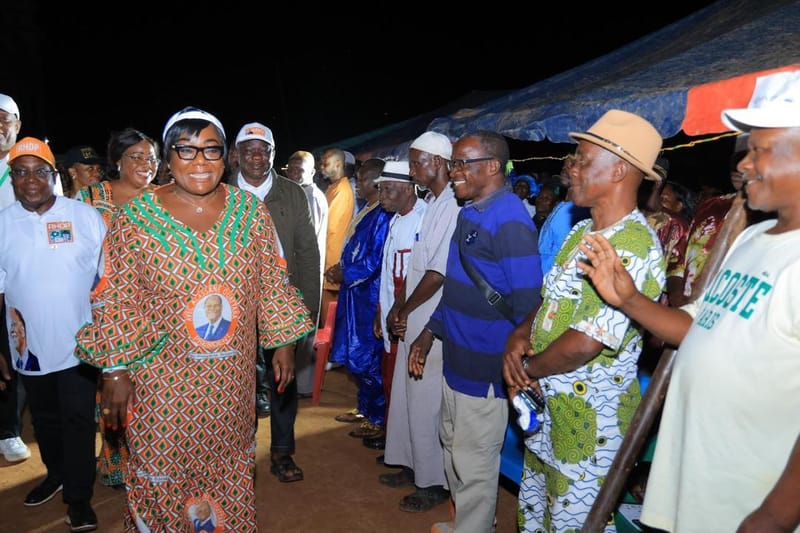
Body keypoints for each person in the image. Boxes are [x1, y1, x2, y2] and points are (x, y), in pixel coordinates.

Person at [577, 71, 800, 533]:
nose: (743, 165)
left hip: (753, 502)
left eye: (759, 150)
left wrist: (776, 516)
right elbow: (698, 327)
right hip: (700, 484)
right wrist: (628, 299)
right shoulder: (753, 238)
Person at [74, 107, 313, 531]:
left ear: (226, 157)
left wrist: (284, 342)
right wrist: (114, 368)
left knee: (227, 471)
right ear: (168, 158)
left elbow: (272, 280)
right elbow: (116, 297)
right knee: (160, 471)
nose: (200, 161)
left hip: (229, 384)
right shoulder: (135, 219)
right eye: (186, 150)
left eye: (211, 149)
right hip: (161, 384)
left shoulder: (250, 213)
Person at [503, 109, 666, 533]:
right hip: (549, 412)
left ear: (618, 170)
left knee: (574, 523)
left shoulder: (633, 245)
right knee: (536, 517)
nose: (571, 168)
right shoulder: (581, 232)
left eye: (582, 160)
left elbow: (585, 343)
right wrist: (518, 336)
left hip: (590, 428)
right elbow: (549, 302)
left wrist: (526, 370)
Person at [409, 130, 542, 533]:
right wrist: (429, 332)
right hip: (457, 360)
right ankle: (468, 522)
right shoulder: (469, 212)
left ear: (493, 166)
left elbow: (529, 306)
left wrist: (516, 367)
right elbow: (456, 284)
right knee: (454, 447)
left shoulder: (511, 220)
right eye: (453, 164)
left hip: (486, 369)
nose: (453, 172)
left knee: (475, 462)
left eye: (461, 164)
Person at [1, 137, 106, 531]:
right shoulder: (2, 224)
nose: (30, 180)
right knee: (44, 420)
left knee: (78, 419)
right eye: (21, 172)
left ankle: (78, 498)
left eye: (39, 172)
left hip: (80, 345)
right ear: (13, 178)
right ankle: (56, 473)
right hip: (27, 347)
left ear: (54, 175)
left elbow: (107, 280)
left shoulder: (84, 217)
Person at [229, 121, 319, 482]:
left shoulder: (292, 193)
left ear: (272, 154)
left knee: (283, 381)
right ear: (236, 155)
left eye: (263, 150)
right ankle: (239, 455)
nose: (256, 157)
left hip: (282, 301)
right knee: (237, 385)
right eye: (248, 150)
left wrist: (307, 310)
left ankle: (282, 452)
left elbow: (307, 252)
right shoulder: (221, 191)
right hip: (234, 305)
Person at [76, 126, 160, 490]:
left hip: (156, 313)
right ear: (117, 160)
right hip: (107, 310)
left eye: (151, 158)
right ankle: (114, 459)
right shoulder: (91, 198)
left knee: (153, 391)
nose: (146, 164)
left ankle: (151, 459)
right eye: (136, 157)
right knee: (112, 389)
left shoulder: (164, 198)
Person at [382, 131, 457, 512]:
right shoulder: (432, 202)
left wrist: (406, 309)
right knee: (408, 394)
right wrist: (399, 306)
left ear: (438, 163)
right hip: (415, 310)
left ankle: (433, 482)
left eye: (416, 163)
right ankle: (412, 465)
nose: (412, 171)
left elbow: (437, 273)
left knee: (427, 400)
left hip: (432, 316)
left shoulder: (453, 204)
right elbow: (415, 263)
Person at [365, 160, 427, 449]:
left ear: (408, 189)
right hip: (391, 314)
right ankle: (392, 436)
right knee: (390, 380)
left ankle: (400, 443)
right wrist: (381, 310)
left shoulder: (422, 219)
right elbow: (389, 274)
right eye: (381, 189)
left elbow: (418, 277)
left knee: (404, 385)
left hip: (407, 318)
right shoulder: (396, 219)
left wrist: (399, 311)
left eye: (388, 189)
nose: (382, 196)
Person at [327, 158, 392, 428]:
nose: (357, 183)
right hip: (354, 293)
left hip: (368, 295)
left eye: (362, 179)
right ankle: (364, 408)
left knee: (369, 357)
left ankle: (376, 417)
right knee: (357, 355)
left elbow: (375, 260)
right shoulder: (369, 209)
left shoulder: (383, 215)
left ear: (376, 182)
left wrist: (346, 273)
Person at [0, 93, 31, 464]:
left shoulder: (30, 165)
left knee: (12, 354)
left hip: (16, 280)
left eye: (4, 118)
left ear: (17, 125)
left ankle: (8, 431)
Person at [284, 150, 328, 397]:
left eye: (298, 170)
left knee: (301, 332)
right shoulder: (303, 193)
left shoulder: (308, 196)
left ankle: (301, 387)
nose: (293, 173)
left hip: (304, 274)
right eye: (290, 169)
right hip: (303, 274)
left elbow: (303, 243)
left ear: (312, 172)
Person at [537, 154, 590, 278]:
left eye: (571, 165)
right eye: (564, 165)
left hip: (552, 278)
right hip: (540, 275)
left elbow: (565, 251)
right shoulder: (563, 204)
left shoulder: (579, 210)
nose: (564, 169)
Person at [320, 148, 355, 331]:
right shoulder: (333, 188)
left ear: (338, 164)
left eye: (325, 163)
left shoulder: (342, 190)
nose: (321, 167)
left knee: (330, 324)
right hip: (326, 263)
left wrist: (328, 268)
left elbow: (329, 230)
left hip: (331, 266)